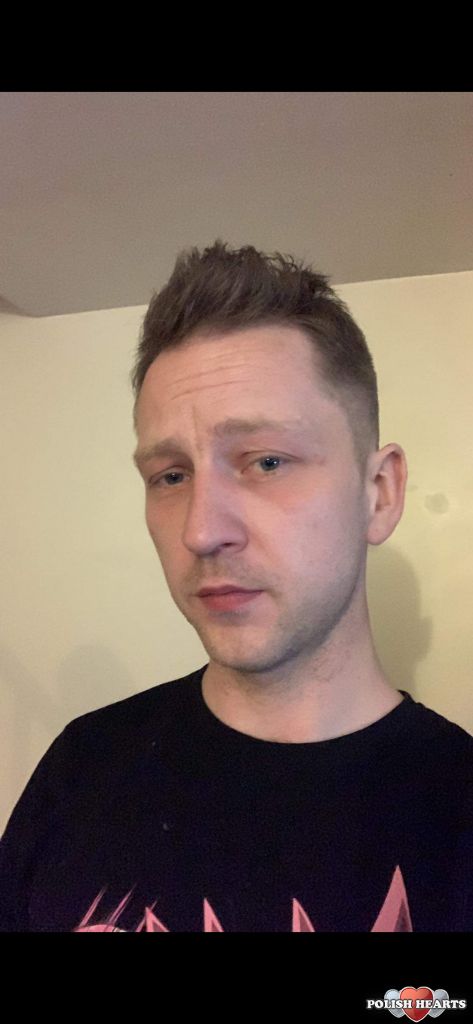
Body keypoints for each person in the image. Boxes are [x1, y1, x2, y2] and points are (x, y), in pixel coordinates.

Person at [1, 241, 471, 933]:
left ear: (378, 492)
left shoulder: (457, 812)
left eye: (266, 461)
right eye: (170, 475)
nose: (200, 531)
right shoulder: (82, 767)